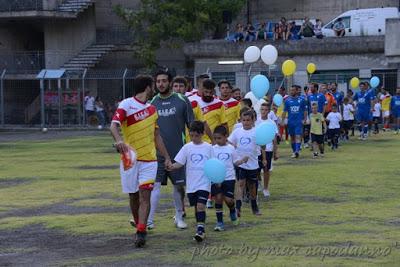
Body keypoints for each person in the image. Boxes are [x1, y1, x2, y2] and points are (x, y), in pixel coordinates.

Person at [110, 74, 172, 248]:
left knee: (146, 195)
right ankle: (139, 224)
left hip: (150, 160)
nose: (154, 89)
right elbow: (113, 125)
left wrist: (166, 157)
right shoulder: (126, 104)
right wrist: (119, 140)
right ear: (147, 87)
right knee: (134, 195)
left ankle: (141, 230)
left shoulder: (152, 109)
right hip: (129, 159)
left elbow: (156, 135)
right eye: (152, 85)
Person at [148, 70, 195, 230]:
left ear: (169, 82)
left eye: (163, 81)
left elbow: (192, 125)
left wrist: (193, 148)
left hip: (178, 153)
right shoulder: (152, 103)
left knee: (178, 186)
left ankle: (179, 217)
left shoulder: (182, 100)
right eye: (158, 81)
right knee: (154, 186)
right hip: (157, 154)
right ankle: (149, 220)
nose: (161, 84)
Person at [167, 121, 213, 242]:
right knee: (196, 207)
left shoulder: (209, 147)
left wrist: (216, 179)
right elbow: (180, 162)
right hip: (192, 184)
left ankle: (200, 230)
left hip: (204, 182)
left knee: (201, 206)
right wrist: (172, 166)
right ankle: (200, 225)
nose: (194, 138)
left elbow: (214, 164)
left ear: (202, 134)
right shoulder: (187, 147)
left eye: (196, 136)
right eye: (191, 135)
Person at [229, 110, 265, 217]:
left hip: (253, 164)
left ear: (253, 120)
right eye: (243, 120)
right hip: (241, 164)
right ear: (240, 120)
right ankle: (238, 208)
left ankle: (254, 207)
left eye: (248, 120)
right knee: (240, 184)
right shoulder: (237, 131)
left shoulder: (256, 132)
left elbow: (263, 146)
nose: (246, 122)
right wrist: (233, 148)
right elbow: (230, 141)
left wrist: (263, 156)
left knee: (252, 186)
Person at [212, 125, 247, 231]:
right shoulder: (212, 149)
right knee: (218, 199)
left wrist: (242, 160)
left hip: (229, 178)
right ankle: (219, 222)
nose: (217, 140)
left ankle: (232, 210)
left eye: (219, 138)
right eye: (215, 138)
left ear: (226, 136)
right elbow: (211, 164)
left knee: (228, 200)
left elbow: (236, 161)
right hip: (216, 178)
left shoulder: (231, 148)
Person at [256, 103, 279, 198]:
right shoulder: (256, 121)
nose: (263, 111)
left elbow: (274, 138)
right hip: (257, 149)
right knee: (256, 169)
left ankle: (266, 188)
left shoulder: (271, 123)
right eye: (262, 109)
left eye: (265, 110)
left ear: (269, 111)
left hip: (268, 149)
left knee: (266, 169)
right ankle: (258, 183)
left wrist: (275, 151)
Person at [281, 86, 307, 158]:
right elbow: (284, 111)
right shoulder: (287, 101)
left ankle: (297, 151)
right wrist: (283, 121)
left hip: (298, 122)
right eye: (290, 90)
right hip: (290, 122)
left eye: (293, 90)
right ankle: (293, 151)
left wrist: (304, 119)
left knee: (298, 136)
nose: (291, 92)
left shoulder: (301, 100)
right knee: (292, 138)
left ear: (296, 91)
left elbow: (305, 110)